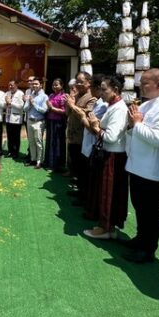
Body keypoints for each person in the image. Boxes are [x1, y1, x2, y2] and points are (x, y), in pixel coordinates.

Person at [122, 68, 159, 263]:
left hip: (154, 170)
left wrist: (137, 124)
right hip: (137, 166)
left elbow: (157, 139)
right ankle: (140, 239)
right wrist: (132, 124)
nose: (141, 86)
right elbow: (134, 132)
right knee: (139, 207)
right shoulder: (146, 105)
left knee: (149, 211)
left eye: (145, 83)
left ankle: (148, 249)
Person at [83, 75, 129, 239]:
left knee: (108, 194)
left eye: (104, 89)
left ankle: (106, 228)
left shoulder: (119, 109)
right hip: (109, 154)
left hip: (113, 156)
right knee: (105, 192)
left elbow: (110, 136)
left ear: (115, 90)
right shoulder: (113, 106)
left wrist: (95, 126)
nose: (101, 93)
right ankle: (106, 226)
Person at [75, 74, 106, 208]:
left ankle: (86, 199)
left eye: (91, 86)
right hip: (87, 142)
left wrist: (83, 117)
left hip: (94, 143)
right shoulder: (98, 102)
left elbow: (94, 128)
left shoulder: (103, 105)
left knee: (89, 174)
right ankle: (82, 194)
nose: (90, 89)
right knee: (84, 171)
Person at [65, 72, 97, 195]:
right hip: (72, 134)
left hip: (83, 137)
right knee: (74, 160)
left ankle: (82, 191)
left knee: (82, 164)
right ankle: (77, 184)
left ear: (89, 82)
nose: (78, 84)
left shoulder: (92, 97)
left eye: (81, 82)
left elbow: (87, 113)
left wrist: (72, 105)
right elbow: (67, 113)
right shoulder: (76, 95)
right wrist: (69, 103)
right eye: (77, 81)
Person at [23, 77, 48, 168]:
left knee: (38, 142)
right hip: (30, 121)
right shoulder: (31, 95)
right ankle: (33, 159)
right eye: (33, 84)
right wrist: (30, 103)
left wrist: (34, 104)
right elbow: (24, 109)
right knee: (31, 142)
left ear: (41, 85)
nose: (34, 85)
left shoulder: (44, 96)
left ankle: (39, 161)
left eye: (36, 84)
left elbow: (44, 110)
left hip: (39, 122)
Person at [44, 78, 67, 172]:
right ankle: (48, 163)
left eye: (56, 84)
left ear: (62, 86)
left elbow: (64, 111)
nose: (54, 86)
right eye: (53, 84)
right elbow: (48, 108)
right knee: (49, 142)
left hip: (58, 123)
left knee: (56, 143)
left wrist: (52, 108)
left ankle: (55, 165)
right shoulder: (51, 95)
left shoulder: (63, 97)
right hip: (50, 121)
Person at [4, 80, 24, 158]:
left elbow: (21, 106)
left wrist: (10, 103)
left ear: (16, 85)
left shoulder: (20, 93)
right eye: (9, 85)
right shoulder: (7, 93)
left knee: (16, 136)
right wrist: (6, 103)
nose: (10, 87)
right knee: (9, 136)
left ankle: (15, 152)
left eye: (12, 85)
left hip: (16, 119)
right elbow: (4, 105)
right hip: (8, 118)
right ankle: (10, 151)